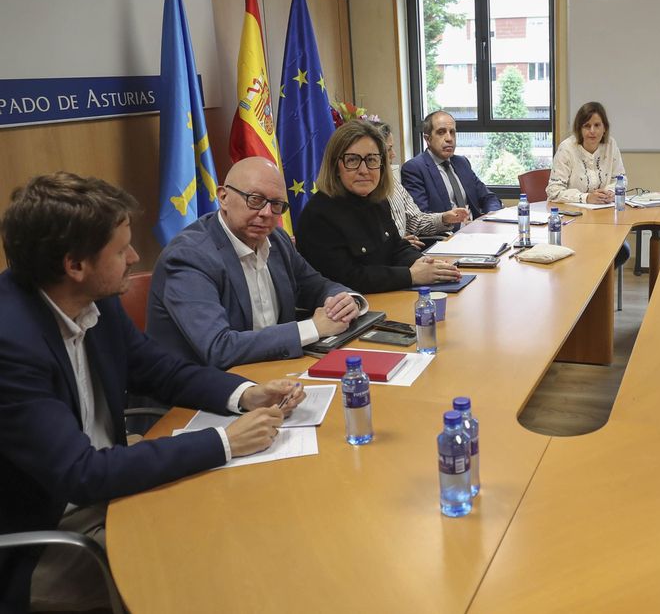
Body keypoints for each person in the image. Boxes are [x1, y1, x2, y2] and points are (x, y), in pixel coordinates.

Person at [0, 172, 305, 612]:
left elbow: (161, 371)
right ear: (75, 266)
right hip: (46, 538)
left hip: (112, 492)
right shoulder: (11, 343)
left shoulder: (93, 298)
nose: (134, 257)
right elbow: (82, 474)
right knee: (208, 574)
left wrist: (246, 394)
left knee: (252, 519)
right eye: (121, 249)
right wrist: (225, 441)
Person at [147, 157, 364, 370]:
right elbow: (219, 349)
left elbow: (317, 286)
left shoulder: (277, 240)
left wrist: (345, 301)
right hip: (204, 383)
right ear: (223, 197)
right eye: (255, 199)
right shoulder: (189, 256)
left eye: (276, 204)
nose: (266, 213)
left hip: (273, 369)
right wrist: (313, 328)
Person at [297, 120, 461, 294]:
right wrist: (411, 275)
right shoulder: (319, 214)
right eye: (352, 160)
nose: (364, 170)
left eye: (371, 160)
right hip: (352, 304)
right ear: (335, 166)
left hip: (386, 295)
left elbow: (396, 247)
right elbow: (346, 277)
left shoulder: (377, 199)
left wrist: (424, 263)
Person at [374, 120, 468, 249]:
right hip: (394, 254)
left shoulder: (392, 182)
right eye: (388, 149)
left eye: (452, 132)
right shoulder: (364, 190)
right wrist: (397, 244)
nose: (393, 154)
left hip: (404, 252)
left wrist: (443, 218)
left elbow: (415, 221)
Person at [401, 110, 502, 220]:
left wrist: (491, 216)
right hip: (446, 230)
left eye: (452, 132)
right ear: (427, 139)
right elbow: (421, 217)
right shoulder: (414, 169)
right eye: (441, 132)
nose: (449, 139)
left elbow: (489, 197)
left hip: (475, 227)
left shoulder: (462, 162)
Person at [547, 102, 626, 205]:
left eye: (597, 125)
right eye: (587, 126)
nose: (592, 131)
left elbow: (621, 180)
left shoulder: (610, 145)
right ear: (579, 129)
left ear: (605, 128)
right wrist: (587, 198)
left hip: (604, 209)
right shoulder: (566, 148)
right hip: (573, 212)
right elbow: (554, 191)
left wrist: (611, 192)